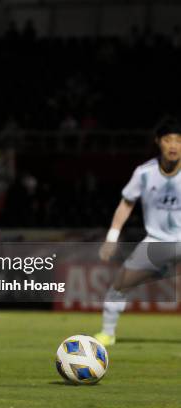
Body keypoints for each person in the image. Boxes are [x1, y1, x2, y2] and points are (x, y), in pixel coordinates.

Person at [95, 117, 181, 346]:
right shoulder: (144, 173)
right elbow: (126, 203)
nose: (174, 145)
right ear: (158, 142)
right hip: (157, 242)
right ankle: (107, 334)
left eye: (179, 141)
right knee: (120, 284)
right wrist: (111, 238)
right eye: (168, 140)